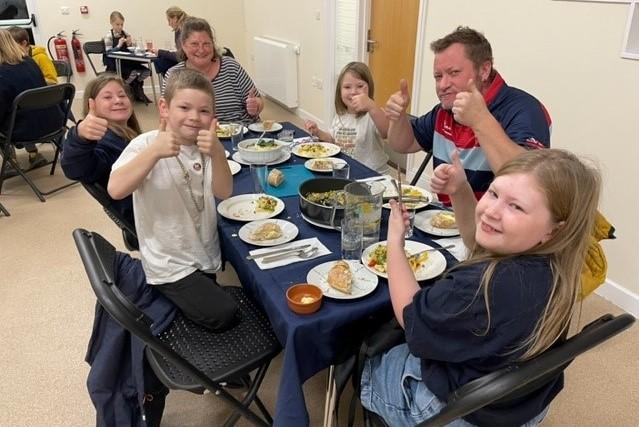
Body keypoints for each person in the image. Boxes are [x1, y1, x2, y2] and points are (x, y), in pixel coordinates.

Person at [361, 149, 601, 427]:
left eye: (516, 207)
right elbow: (479, 239)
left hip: (458, 411)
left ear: (554, 230)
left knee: (364, 349)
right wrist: (461, 190)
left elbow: (409, 316)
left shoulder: (479, 287)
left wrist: (394, 244)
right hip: (518, 407)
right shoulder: (559, 267)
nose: (491, 211)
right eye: (493, 193)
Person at [108, 68, 238, 330]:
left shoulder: (205, 147)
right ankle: (162, 304)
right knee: (226, 314)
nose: (194, 117)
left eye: (204, 111)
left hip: (202, 252)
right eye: (185, 107)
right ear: (164, 108)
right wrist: (155, 152)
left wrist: (218, 153)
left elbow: (224, 192)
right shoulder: (144, 144)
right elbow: (115, 189)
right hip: (169, 262)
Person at [385, 26, 551, 204]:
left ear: (484, 70)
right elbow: (403, 144)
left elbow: (527, 180)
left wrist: (480, 119)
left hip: (494, 225)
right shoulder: (445, 109)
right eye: (438, 76)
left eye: (454, 73)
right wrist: (398, 118)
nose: (443, 85)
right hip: (447, 219)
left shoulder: (525, 110)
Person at [61, 73, 141, 226]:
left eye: (122, 95)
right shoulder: (103, 143)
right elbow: (76, 169)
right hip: (144, 217)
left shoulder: (127, 135)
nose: (118, 101)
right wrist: (79, 137)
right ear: (92, 105)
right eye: (107, 97)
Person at [162, 17, 262, 123]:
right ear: (183, 46)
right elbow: (167, 116)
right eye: (194, 44)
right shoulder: (174, 75)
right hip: (198, 136)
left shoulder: (231, 66)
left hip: (243, 132)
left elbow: (258, 100)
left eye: (206, 44)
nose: (201, 50)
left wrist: (255, 106)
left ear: (212, 44)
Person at [304, 61, 390, 174]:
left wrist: (371, 106)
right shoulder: (341, 115)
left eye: (360, 86)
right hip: (346, 170)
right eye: (347, 87)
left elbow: (386, 132)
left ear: (370, 88)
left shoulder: (373, 114)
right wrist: (318, 131)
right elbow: (332, 139)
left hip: (373, 174)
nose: (353, 92)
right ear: (340, 91)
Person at [0, 29, 61, 169]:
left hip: (26, 129)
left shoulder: (2, 73)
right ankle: (33, 155)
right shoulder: (30, 62)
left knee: (10, 118)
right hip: (53, 122)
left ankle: (10, 164)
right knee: (24, 111)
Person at [103, 10, 152, 104]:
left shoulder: (125, 34)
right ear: (111, 23)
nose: (120, 27)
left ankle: (135, 86)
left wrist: (130, 44)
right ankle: (127, 89)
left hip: (128, 62)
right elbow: (108, 53)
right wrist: (118, 45)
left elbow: (131, 49)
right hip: (115, 64)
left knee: (146, 71)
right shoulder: (108, 36)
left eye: (122, 24)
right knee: (133, 73)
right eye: (117, 24)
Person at [151, 6, 188, 76]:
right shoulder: (179, 30)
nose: (168, 24)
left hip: (187, 61)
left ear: (174, 18)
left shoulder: (183, 30)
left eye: (169, 20)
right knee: (160, 60)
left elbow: (180, 57)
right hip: (184, 59)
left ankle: (168, 83)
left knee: (160, 61)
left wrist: (160, 52)